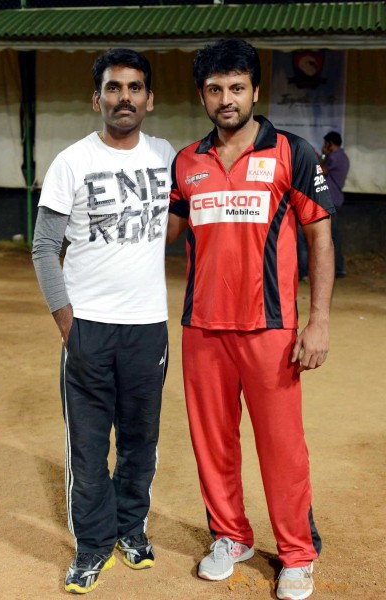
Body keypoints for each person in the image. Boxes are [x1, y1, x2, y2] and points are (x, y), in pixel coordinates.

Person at [167, 39, 335, 600]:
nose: (226, 99)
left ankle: (296, 554)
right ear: (202, 96)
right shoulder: (186, 162)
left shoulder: (292, 151)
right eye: (215, 90)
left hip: (271, 329)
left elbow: (320, 237)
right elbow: (163, 235)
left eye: (236, 87)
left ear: (255, 91)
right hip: (203, 329)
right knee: (212, 443)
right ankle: (231, 536)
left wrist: (319, 322)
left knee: (282, 447)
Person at [32, 48, 175, 594]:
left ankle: (130, 530)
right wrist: (69, 325)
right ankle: (93, 546)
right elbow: (45, 247)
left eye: (135, 88)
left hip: (148, 328)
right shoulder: (72, 162)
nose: (124, 98)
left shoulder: (165, 155)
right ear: (97, 99)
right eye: (113, 89)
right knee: (89, 447)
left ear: (149, 99)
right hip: (88, 326)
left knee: (141, 439)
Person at [321, 131, 350, 278]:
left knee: (332, 236)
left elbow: (321, 170)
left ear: (330, 144)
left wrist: (322, 155)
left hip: (330, 200)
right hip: (335, 199)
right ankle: (337, 268)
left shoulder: (334, 157)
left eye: (325, 144)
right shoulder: (342, 157)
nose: (323, 146)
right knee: (332, 236)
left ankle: (338, 269)